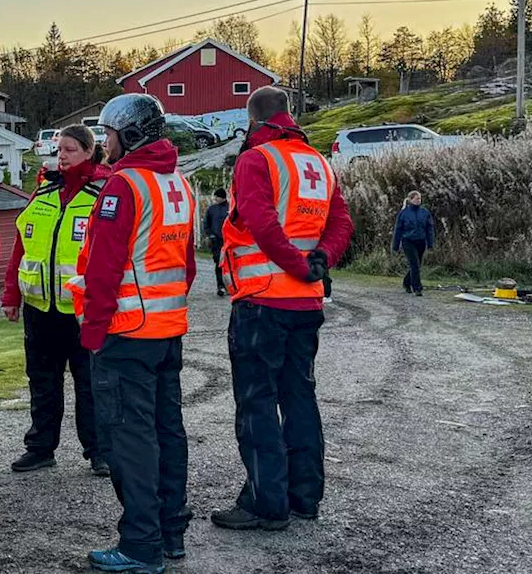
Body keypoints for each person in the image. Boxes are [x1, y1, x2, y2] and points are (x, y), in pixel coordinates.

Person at [64, 94, 197, 574]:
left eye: (110, 133)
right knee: (168, 430)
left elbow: (103, 268)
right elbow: (187, 266)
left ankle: (141, 545)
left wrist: (93, 333)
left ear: (130, 134)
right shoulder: (177, 183)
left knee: (129, 438)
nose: (105, 142)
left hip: (127, 332)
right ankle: (170, 532)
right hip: (167, 328)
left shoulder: (123, 186)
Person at [212, 86, 353, 532]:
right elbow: (341, 222)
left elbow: (261, 221)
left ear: (255, 120)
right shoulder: (318, 162)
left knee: (256, 403)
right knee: (300, 398)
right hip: (306, 303)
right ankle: (304, 497)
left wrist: (298, 264)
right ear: (288, 116)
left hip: (261, 299)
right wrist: (320, 262)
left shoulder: (256, 160)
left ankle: (265, 502)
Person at [1, 124, 112, 477]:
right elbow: (21, 247)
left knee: (90, 384)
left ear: (89, 152)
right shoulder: (43, 193)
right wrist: (11, 294)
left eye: (70, 150)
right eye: (59, 149)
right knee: (42, 382)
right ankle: (40, 448)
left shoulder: (102, 195)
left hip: (82, 311)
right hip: (40, 308)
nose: (62, 156)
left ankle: (99, 451)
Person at [392, 191, 434, 297]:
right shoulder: (403, 213)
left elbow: (429, 228)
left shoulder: (425, 212)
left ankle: (406, 282)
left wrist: (430, 243)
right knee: (414, 263)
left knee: (417, 265)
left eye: (419, 199)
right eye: (416, 198)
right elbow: (398, 230)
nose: (418, 200)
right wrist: (395, 245)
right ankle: (417, 288)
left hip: (421, 241)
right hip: (408, 241)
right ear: (410, 200)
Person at [203, 188, 230, 297]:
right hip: (217, 240)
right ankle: (221, 286)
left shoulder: (230, 207)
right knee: (219, 263)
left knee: (231, 263)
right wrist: (210, 235)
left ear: (221, 197)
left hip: (229, 240)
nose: (215, 199)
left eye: (216, 196)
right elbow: (206, 223)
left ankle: (231, 285)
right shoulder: (211, 209)